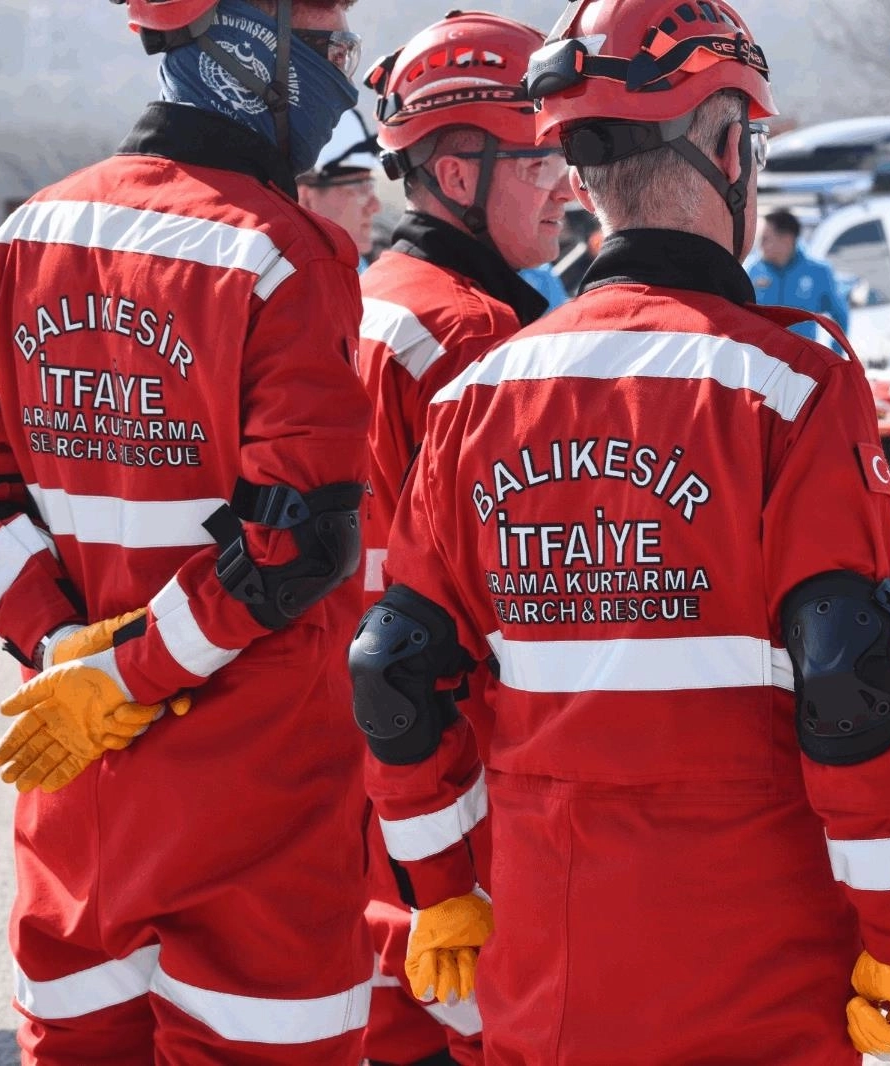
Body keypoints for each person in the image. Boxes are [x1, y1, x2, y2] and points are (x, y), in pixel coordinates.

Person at [350, 0, 890, 1062]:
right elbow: (850, 678)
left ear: (583, 177)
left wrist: (439, 891)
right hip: (756, 959)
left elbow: (395, 672)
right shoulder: (792, 385)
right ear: (734, 151)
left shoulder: (478, 394)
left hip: (544, 960)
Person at [0, 1, 376, 1062]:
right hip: (254, 815)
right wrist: (124, 674)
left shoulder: (24, 237)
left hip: (74, 797)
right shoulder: (285, 255)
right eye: (327, 39)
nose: (343, 69)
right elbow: (295, 545)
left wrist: (58, 649)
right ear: (250, 48)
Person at [353, 11, 569, 1065]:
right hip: (461, 775)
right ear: (453, 173)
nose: (567, 186)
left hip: (367, 765)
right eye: (540, 161)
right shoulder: (473, 334)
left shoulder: (370, 302)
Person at [745, 207, 852, 349]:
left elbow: (840, 316)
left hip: (801, 359)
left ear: (787, 239)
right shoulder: (750, 270)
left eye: (765, 239)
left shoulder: (818, 272)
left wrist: (835, 354)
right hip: (761, 358)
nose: (760, 245)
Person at [298, 107, 382, 270]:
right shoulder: (280, 281)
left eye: (370, 186)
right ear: (306, 199)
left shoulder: (361, 273)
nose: (375, 206)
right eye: (360, 188)